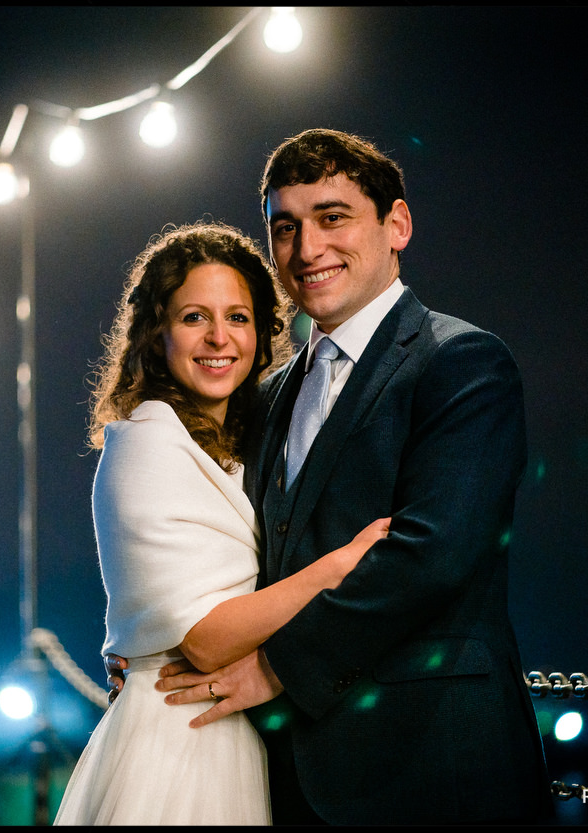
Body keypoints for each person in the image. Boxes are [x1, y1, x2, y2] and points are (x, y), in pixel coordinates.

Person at [146, 129, 553, 824]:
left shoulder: (464, 363)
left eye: (332, 217)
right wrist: (150, 645)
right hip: (288, 778)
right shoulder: (267, 395)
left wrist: (278, 667)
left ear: (397, 225)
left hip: (430, 766)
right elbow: (228, 551)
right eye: (285, 227)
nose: (307, 249)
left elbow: (432, 555)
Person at [54, 221, 389, 825]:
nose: (218, 337)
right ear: (156, 336)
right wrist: (337, 567)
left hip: (233, 731)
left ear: (263, 334)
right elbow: (205, 640)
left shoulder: (240, 441)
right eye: (192, 318)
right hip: (179, 740)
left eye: (238, 317)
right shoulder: (147, 444)